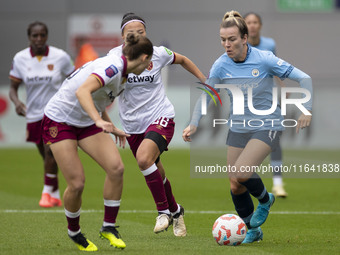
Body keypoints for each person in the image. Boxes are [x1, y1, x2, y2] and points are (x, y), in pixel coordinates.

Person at [183, 10, 312, 243]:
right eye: (223, 40)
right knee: (235, 184)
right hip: (238, 128)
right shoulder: (221, 64)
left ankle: (265, 199)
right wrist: (193, 123)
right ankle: (253, 231)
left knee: (242, 172)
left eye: (231, 39)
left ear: (244, 38)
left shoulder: (264, 58)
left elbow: (305, 78)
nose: (226, 44)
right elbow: (207, 95)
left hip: (268, 124)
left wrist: (307, 108)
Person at [42, 33, 153, 251]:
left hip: (86, 120)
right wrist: (98, 121)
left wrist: (110, 126)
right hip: (60, 120)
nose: (150, 67)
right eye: (150, 62)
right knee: (77, 183)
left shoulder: (124, 73)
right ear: (143, 58)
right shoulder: (111, 68)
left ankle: (108, 228)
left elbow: (98, 98)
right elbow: (83, 91)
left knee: (116, 168)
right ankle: (74, 232)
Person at [107, 13, 206, 236]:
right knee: (155, 171)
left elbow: (182, 59)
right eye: (131, 33)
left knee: (144, 159)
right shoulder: (114, 57)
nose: (136, 36)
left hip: (160, 116)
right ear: (122, 36)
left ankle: (163, 211)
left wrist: (203, 79)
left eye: (141, 32)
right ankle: (177, 210)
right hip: (132, 125)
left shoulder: (157, 52)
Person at [9, 21, 75, 208]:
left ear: (47, 36)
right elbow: (13, 89)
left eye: (42, 35)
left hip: (55, 112)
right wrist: (17, 102)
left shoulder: (60, 56)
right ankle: (54, 194)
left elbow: (74, 78)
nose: (38, 39)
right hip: (33, 115)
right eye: (34, 36)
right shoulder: (20, 58)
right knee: (46, 156)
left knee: (51, 152)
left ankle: (46, 193)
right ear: (29, 37)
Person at [244, 12, 287, 198]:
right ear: (244, 26)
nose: (252, 25)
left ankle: (278, 183)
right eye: (249, 23)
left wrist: (283, 87)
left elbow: (275, 67)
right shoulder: (239, 46)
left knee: (275, 139)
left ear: (260, 25)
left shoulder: (269, 45)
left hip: (268, 101)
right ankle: (246, 180)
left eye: (255, 22)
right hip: (246, 102)